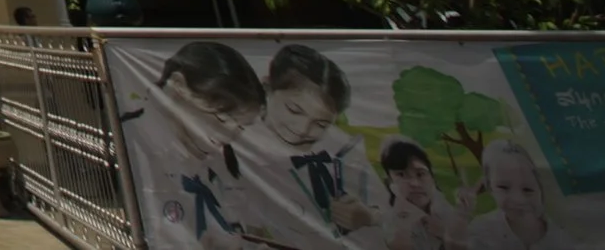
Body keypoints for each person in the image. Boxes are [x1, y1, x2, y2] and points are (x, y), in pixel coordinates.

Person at [123, 41, 266, 250]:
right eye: (221, 117)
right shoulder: (134, 140)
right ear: (179, 85)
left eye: (241, 127)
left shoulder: (223, 157)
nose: (229, 135)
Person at [252, 43, 377, 238]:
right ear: (267, 88)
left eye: (321, 124)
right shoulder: (233, 144)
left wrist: (368, 217)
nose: (302, 130)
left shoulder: (344, 149)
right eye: (294, 110)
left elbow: (393, 212)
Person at [379, 138, 471, 250]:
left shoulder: (446, 211)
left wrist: (445, 233)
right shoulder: (386, 221)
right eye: (401, 175)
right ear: (389, 182)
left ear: (432, 178)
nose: (414, 183)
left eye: (420, 174)